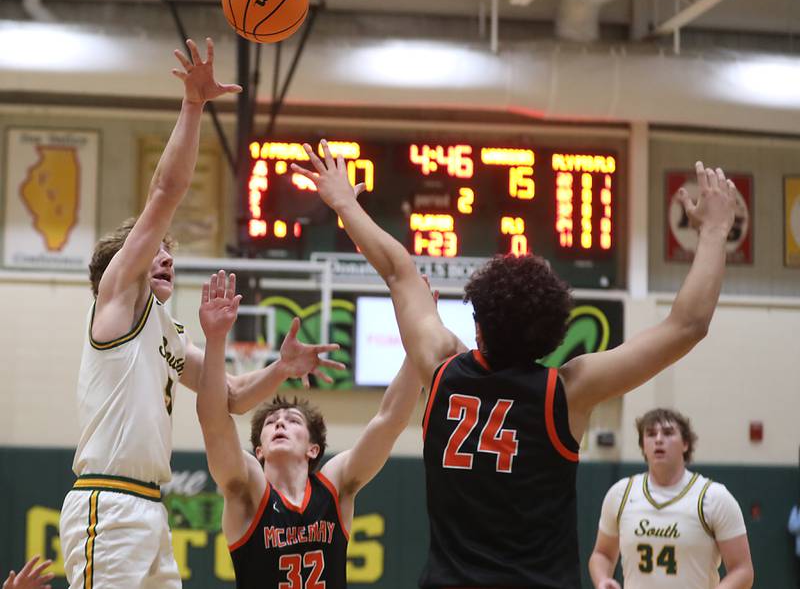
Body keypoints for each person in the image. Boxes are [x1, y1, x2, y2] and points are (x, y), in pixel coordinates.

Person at [292, 142, 737, 588]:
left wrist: (345, 202)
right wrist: (714, 233)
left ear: (478, 322)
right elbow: (687, 325)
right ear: (551, 333)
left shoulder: (440, 367)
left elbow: (397, 270)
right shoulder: (567, 391)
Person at [58, 40, 339, 589]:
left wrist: (279, 370)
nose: (166, 255)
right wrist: (193, 105)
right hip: (106, 504)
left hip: (148, 509)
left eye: (170, 250)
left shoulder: (163, 331)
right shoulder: (115, 299)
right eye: (153, 248)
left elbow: (230, 395)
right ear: (123, 263)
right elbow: (166, 189)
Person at [195, 269, 425, 589]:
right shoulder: (248, 492)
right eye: (272, 423)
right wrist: (216, 340)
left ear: (313, 449)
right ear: (258, 450)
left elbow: (390, 421)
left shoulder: (335, 487)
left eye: (293, 421)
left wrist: (419, 344)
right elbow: (214, 424)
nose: (279, 423)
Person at [589, 408, 753, 588]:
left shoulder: (713, 497)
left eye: (668, 433)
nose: (658, 439)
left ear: (685, 444)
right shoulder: (621, 494)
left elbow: (742, 570)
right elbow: (602, 554)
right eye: (651, 434)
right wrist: (602, 580)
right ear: (643, 445)